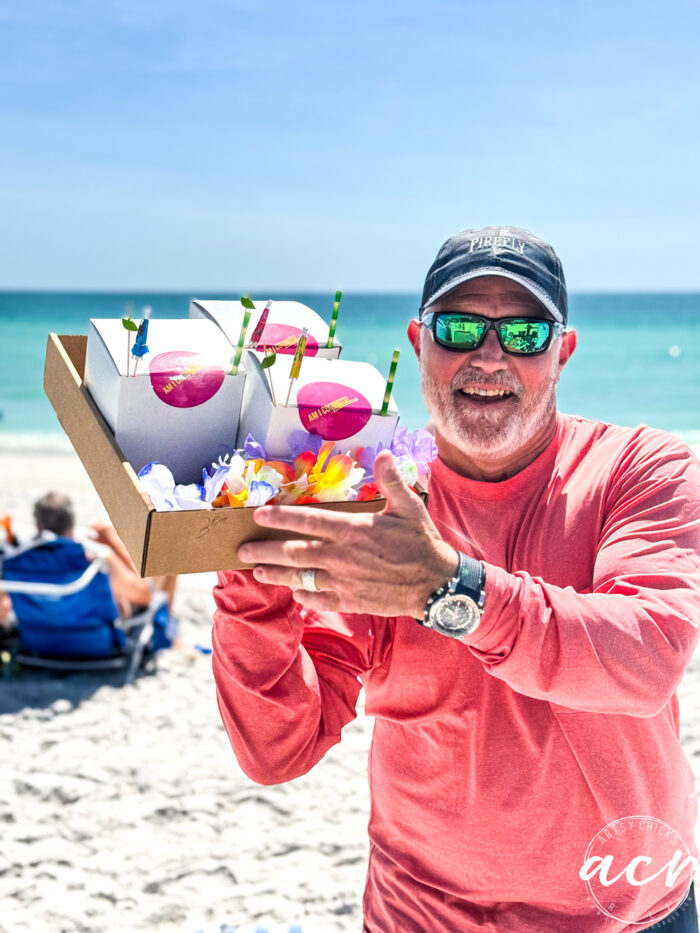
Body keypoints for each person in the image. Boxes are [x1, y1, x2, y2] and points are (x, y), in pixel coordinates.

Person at [211, 226, 700, 932]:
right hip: (423, 915)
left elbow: (644, 657)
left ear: (561, 352)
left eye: (525, 333)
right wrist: (248, 575)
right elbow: (277, 747)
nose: (489, 356)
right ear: (419, 342)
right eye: (461, 327)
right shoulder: (372, 500)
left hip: (629, 909)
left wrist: (446, 590)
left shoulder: (639, 468)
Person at [30, 492, 176, 619]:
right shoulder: (92, 559)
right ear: (71, 523)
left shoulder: (23, 561)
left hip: (44, 629)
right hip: (93, 635)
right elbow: (146, 595)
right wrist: (112, 543)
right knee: (170, 559)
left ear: (38, 524)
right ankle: (168, 632)